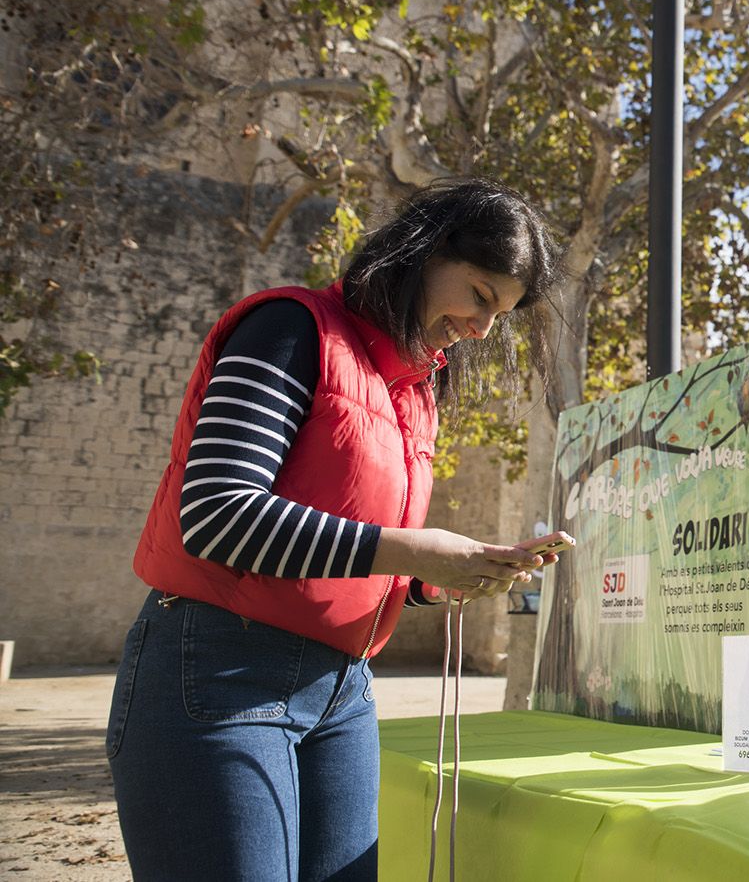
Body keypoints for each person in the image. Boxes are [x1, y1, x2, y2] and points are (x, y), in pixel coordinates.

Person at [107, 179, 566, 880]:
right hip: (218, 673)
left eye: (499, 314)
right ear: (426, 250)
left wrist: (436, 579)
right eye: (479, 295)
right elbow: (215, 513)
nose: (482, 328)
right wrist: (409, 548)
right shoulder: (290, 329)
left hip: (343, 691)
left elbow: (343, 558)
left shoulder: (414, 389)